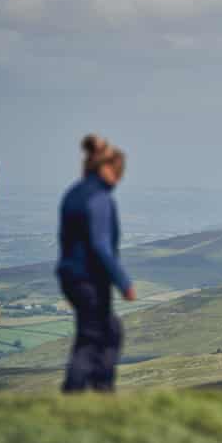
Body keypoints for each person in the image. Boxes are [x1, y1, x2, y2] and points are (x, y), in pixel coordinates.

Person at [57, 134, 136, 392]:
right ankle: (77, 393)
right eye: (118, 172)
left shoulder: (73, 194)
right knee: (91, 339)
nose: (119, 179)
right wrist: (123, 282)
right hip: (89, 279)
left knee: (109, 331)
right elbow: (100, 244)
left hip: (71, 276)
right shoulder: (99, 198)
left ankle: (100, 389)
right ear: (106, 168)